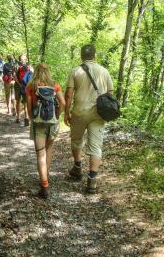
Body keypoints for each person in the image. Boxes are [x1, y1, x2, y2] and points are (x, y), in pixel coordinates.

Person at [64, 45, 114, 194]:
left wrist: (66, 112)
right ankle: (92, 181)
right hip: (98, 114)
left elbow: (68, 95)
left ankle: (78, 167)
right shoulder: (104, 71)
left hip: (79, 112)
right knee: (96, 146)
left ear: (81, 56)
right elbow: (110, 93)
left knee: (76, 140)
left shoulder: (75, 71)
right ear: (95, 55)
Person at [26, 63, 65, 199]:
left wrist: (32, 118)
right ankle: (45, 176)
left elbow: (29, 107)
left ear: (35, 72)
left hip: (38, 124)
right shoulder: (55, 85)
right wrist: (57, 115)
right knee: (49, 149)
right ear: (48, 72)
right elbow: (63, 104)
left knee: (40, 154)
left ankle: (44, 185)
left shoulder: (31, 86)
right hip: (52, 123)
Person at [14, 55, 30, 126]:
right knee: (25, 102)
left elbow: (14, 76)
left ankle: (18, 117)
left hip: (18, 86)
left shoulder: (16, 66)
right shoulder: (29, 66)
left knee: (18, 101)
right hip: (26, 86)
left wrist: (19, 84)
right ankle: (26, 117)